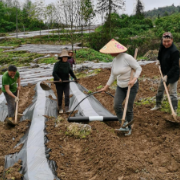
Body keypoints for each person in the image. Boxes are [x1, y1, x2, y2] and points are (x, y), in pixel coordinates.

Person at [99, 39, 142, 135]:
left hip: (131, 85)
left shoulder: (127, 57)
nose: (110, 53)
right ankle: (124, 124)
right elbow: (113, 75)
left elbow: (139, 68)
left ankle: (129, 127)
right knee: (116, 105)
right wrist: (106, 87)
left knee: (128, 107)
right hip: (120, 86)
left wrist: (134, 79)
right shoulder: (114, 60)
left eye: (111, 51)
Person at [151, 32, 179, 112]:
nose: (166, 43)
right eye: (164, 41)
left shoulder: (175, 51)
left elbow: (175, 66)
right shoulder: (162, 46)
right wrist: (158, 60)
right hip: (164, 73)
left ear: (172, 40)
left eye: (168, 41)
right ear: (162, 40)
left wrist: (167, 76)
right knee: (160, 89)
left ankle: (174, 110)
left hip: (173, 74)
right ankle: (158, 105)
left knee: (172, 92)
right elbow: (160, 53)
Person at [53, 49, 78, 113]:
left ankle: (67, 107)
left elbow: (71, 72)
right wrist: (58, 78)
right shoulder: (57, 64)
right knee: (60, 95)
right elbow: (54, 73)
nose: (65, 58)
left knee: (67, 95)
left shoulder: (68, 64)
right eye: (64, 57)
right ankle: (60, 107)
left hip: (66, 81)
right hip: (59, 82)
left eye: (66, 57)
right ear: (61, 58)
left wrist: (75, 78)